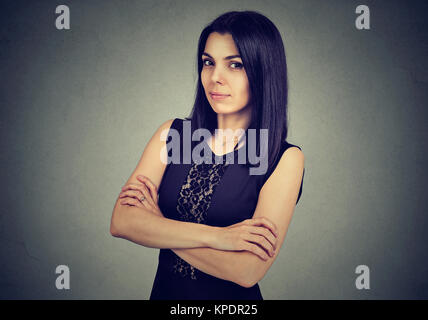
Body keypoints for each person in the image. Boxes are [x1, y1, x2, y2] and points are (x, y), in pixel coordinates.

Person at [110, 10, 305, 300]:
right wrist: (220, 237)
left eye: (235, 65)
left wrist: (159, 224)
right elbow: (122, 222)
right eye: (208, 63)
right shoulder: (171, 134)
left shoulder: (284, 158)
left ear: (263, 71)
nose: (215, 77)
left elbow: (246, 271)